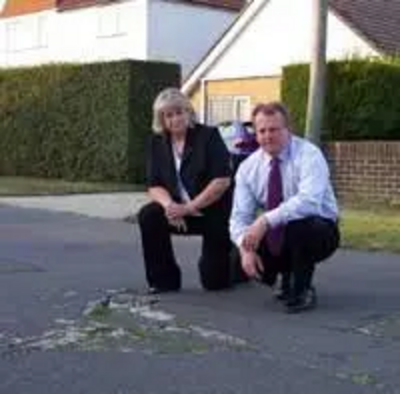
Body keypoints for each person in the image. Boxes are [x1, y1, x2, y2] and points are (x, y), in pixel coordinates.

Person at [229, 102, 340, 313]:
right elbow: (238, 218)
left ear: (288, 129)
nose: (268, 136)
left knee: (303, 227)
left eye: (274, 129)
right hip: (279, 231)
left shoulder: (309, 154)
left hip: (319, 229)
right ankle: (283, 275)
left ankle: (302, 288)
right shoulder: (247, 168)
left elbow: (309, 202)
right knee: (241, 261)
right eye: (262, 131)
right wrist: (245, 249)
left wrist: (264, 220)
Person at [138, 87, 233, 294]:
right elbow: (154, 185)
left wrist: (188, 208)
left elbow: (222, 181)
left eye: (179, 112)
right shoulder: (156, 143)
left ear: (188, 112)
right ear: (161, 119)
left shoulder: (208, 136)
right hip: (179, 212)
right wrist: (169, 206)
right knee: (149, 215)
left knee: (215, 282)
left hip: (212, 211)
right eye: (168, 115)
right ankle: (164, 281)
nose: (175, 119)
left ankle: (237, 262)